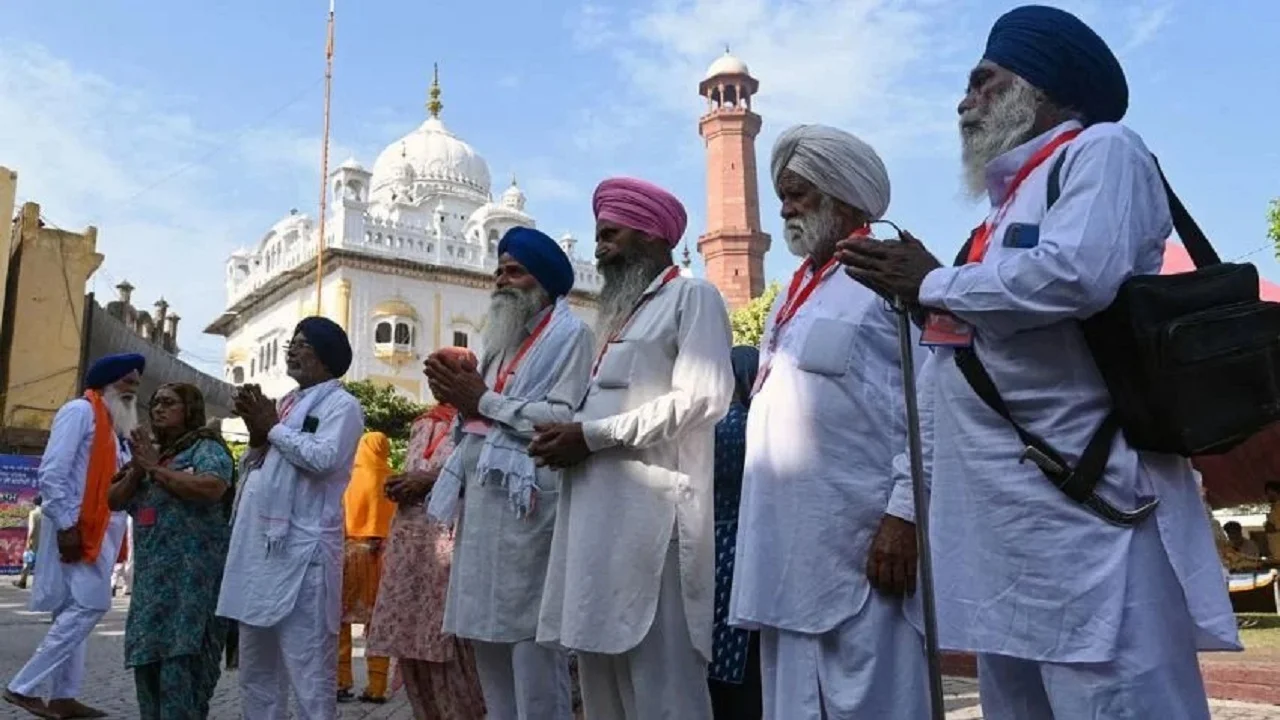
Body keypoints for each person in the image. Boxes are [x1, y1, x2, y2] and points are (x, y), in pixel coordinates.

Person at [837, 5, 1240, 717]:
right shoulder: (994, 218)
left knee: (1118, 701)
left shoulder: (1103, 151)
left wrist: (929, 282)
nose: (964, 101)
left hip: (1092, 519)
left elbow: (1078, 274)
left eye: (982, 81)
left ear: (1042, 87)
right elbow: (949, 367)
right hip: (1005, 539)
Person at [729, 123, 931, 719]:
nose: (786, 207)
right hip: (785, 554)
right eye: (783, 194)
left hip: (864, 551)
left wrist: (905, 512)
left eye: (800, 193)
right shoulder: (796, 294)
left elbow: (933, 399)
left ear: (845, 197)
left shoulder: (889, 277)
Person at [531, 177, 734, 719]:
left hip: (654, 528)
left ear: (649, 235)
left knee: (662, 691)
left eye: (609, 235)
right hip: (595, 531)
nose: (599, 249)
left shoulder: (692, 297)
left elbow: (705, 396)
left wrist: (591, 436)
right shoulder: (618, 318)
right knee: (602, 689)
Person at [425, 226, 592, 719]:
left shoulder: (573, 335)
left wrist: (481, 400)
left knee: (533, 656)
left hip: (531, 514)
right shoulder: (497, 343)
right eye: (498, 270)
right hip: (482, 510)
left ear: (542, 282)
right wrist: (461, 401)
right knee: (487, 650)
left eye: (514, 271)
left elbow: (562, 418)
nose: (501, 280)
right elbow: (479, 415)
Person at [216, 316, 366, 720]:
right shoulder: (287, 404)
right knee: (256, 669)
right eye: (292, 343)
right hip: (261, 554)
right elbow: (259, 465)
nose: (292, 350)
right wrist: (259, 434)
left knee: (309, 672)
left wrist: (272, 429)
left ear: (325, 356)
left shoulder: (343, 406)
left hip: (304, 553)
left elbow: (323, 458)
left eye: (302, 344)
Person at [3, 353, 143, 719]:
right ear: (107, 382)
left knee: (71, 609)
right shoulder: (80, 412)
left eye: (136, 382)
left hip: (101, 531)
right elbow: (51, 473)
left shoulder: (117, 428)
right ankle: (23, 687)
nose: (134, 388)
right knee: (91, 605)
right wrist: (66, 525)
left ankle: (64, 696)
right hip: (76, 528)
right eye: (127, 381)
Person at [108, 383, 236, 719]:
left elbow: (212, 487)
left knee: (183, 669)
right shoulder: (152, 453)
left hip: (192, 584)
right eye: (155, 403)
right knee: (148, 665)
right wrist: (139, 469)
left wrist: (155, 470)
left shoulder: (204, 449)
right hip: (153, 587)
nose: (158, 409)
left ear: (190, 409)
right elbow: (114, 499)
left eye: (169, 402)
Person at [366, 404, 488, 719]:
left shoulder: (482, 422)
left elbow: (484, 474)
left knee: (449, 647)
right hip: (409, 549)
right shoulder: (422, 423)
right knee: (410, 647)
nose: (435, 382)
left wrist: (433, 479)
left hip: (451, 545)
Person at [707, 346, 762, 719]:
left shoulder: (711, 426)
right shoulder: (753, 424)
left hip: (710, 551)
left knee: (716, 661)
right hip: (747, 550)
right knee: (749, 663)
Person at [337, 431, 397, 705]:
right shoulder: (391, 477)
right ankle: (377, 686)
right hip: (382, 556)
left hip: (347, 553)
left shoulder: (346, 476)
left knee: (341, 621)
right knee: (378, 622)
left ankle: (340, 681)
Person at [13, 496, 42, 590]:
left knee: (28, 561)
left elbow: (32, 528)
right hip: (44, 543)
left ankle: (22, 581)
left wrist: (28, 541)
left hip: (34, 541)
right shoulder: (46, 514)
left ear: (34, 503)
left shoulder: (33, 513)